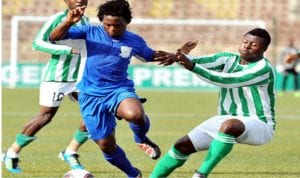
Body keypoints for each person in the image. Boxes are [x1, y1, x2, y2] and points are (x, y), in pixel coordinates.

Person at [49, 0, 173, 177]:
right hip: (90, 94)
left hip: (119, 89)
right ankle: (133, 174)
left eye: (118, 25)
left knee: (135, 115)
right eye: (108, 25)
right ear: (102, 22)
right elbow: (55, 37)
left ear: (127, 22)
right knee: (106, 145)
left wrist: (172, 56)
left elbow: (149, 55)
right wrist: (68, 22)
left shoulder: (134, 40)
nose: (112, 29)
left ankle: (141, 138)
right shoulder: (89, 32)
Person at [150, 28, 276, 178]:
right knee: (182, 146)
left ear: (264, 49)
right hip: (225, 119)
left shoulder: (263, 69)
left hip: (259, 123)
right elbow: (195, 62)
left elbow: (226, 80)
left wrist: (191, 66)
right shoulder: (227, 58)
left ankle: (201, 175)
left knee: (231, 125)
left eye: (253, 45)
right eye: (245, 42)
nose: (247, 46)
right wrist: (179, 56)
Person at [2, 0, 90, 173]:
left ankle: (70, 152)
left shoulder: (87, 21)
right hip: (57, 77)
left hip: (80, 78)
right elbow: (37, 43)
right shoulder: (56, 19)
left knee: (94, 113)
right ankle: (12, 153)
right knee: (45, 117)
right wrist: (67, 50)